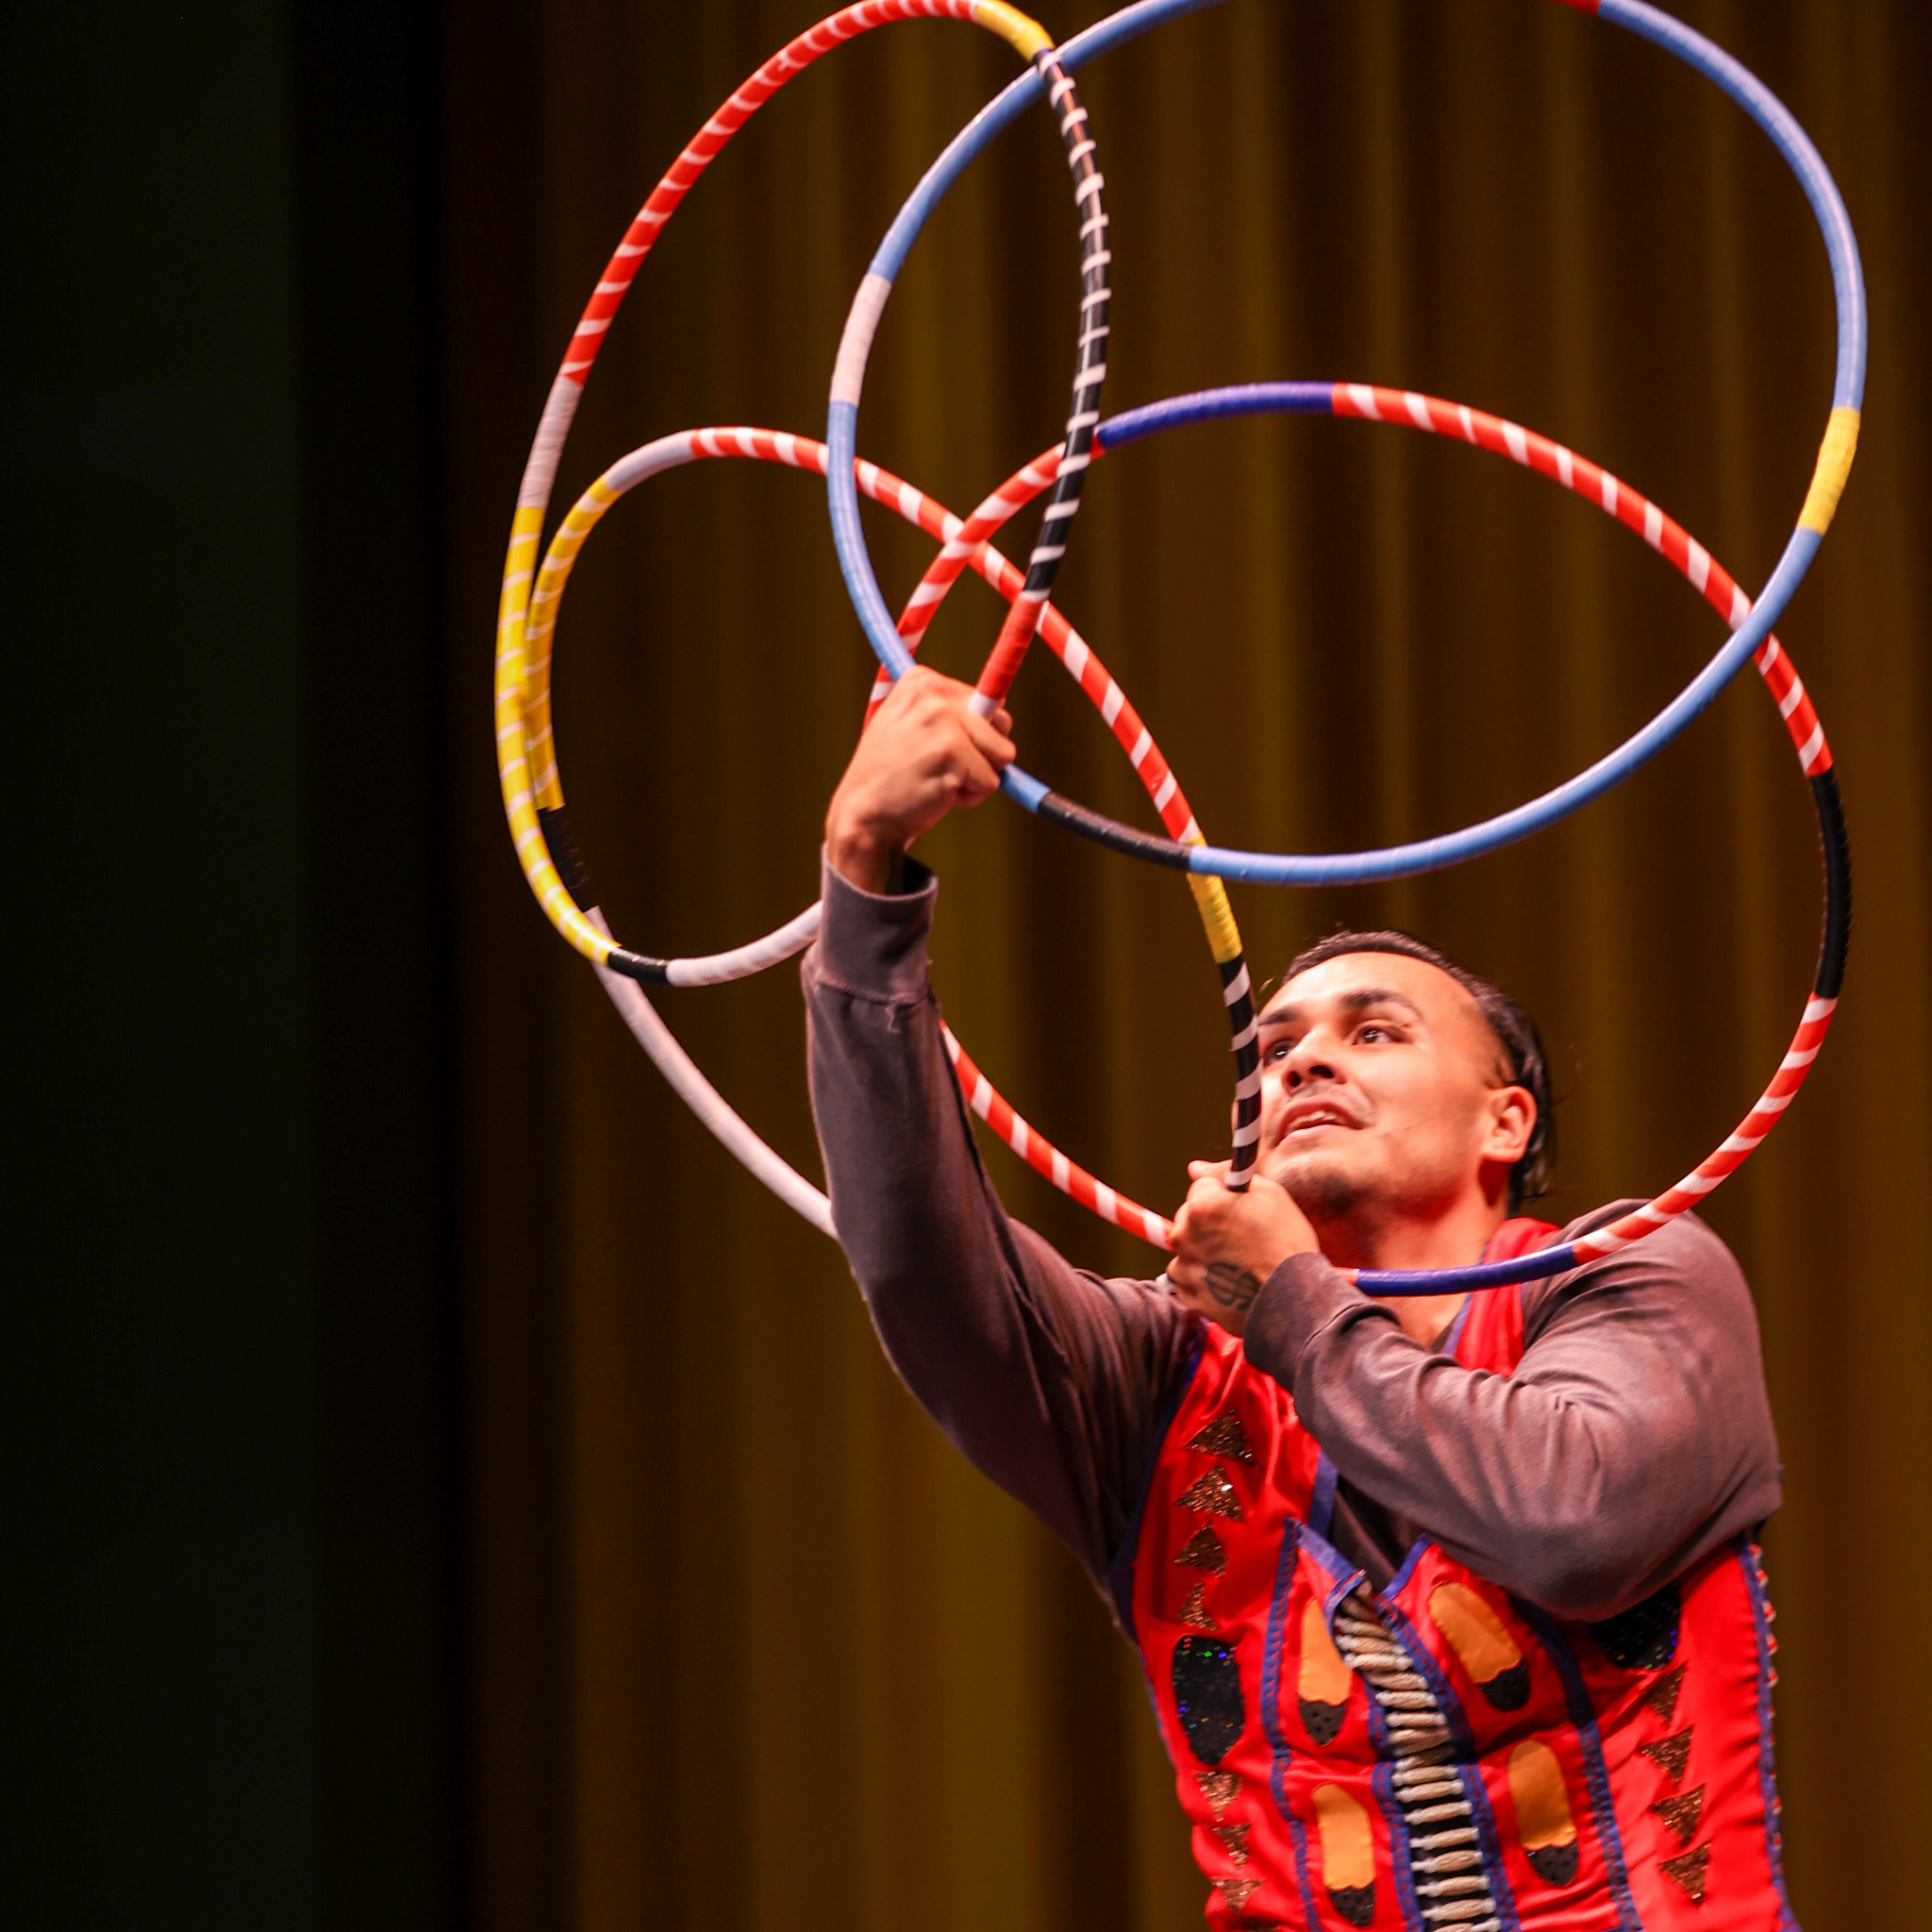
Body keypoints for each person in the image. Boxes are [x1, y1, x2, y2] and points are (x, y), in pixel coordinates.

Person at [804, 666, 1796, 1931]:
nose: (1306, 1057)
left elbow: (1576, 1521)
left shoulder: (1630, 1275)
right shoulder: (1162, 1384)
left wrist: (1291, 1303)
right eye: (1274, 1049)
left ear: (1508, 1120)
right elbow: (916, 1266)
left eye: (1375, 1032)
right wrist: (864, 875)